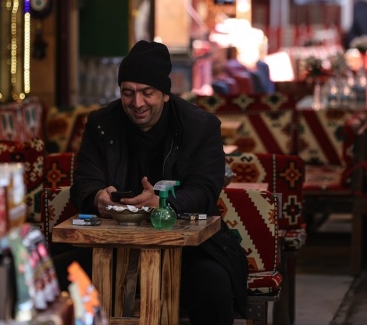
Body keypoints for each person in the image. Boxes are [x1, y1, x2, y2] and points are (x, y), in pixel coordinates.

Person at [70, 40, 248, 324]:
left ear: (165, 94)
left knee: (213, 284)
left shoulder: (200, 126)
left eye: (146, 93)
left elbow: (204, 190)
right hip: (110, 245)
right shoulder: (101, 124)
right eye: (128, 93)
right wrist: (97, 197)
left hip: (186, 247)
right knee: (56, 276)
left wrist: (162, 203)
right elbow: (83, 183)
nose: (136, 103)